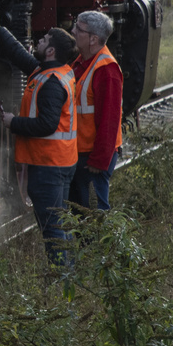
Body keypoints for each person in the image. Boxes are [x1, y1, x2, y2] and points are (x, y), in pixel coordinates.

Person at [0, 6, 80, 261]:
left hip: (50, 166)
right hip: (57, 163)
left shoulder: (52, 83)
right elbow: (17, 53)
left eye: (43, 40)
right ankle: (68, 277)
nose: (38, 41)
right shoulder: (48, 71)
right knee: (59, 225)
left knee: (54, 229)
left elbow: (47, 124)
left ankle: (64, 281)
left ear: (51, 51)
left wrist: (14, 122)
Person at [69, 11, 123, 212]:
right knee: (80, 217)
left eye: (78, 29)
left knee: (93, 218)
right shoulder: (81, 62)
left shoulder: (106, 71)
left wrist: (99, 161)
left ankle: (98, 245)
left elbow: (110, 121)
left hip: (91, 159)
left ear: (93, 39)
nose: (73, 31)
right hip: (79, 154)